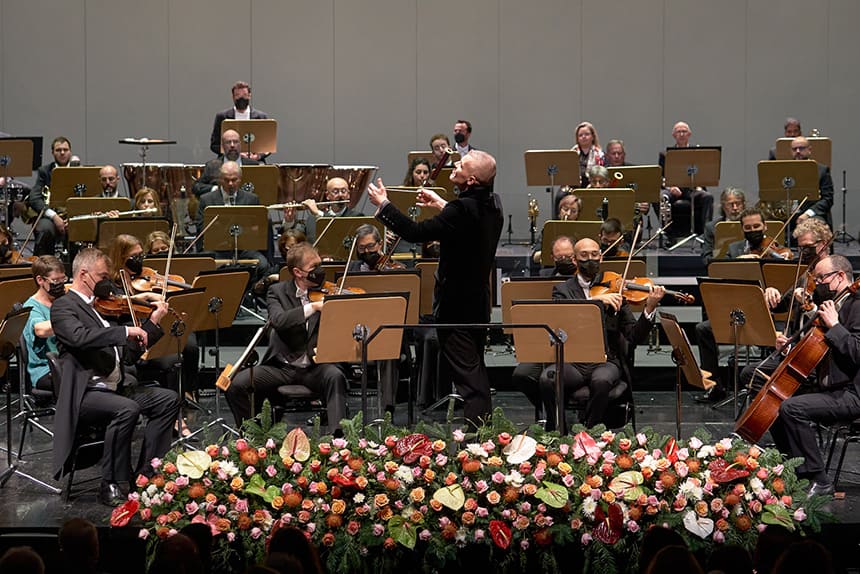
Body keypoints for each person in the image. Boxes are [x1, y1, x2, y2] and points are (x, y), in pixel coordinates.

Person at [368, 150, 503, 429]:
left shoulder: (460, 210)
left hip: (455, 307)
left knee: (470, 379)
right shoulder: (494, 204)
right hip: (478, 304)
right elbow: (467, 219)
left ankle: (481, 436)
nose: (455, 165)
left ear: (471, 180)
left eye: (461, 165)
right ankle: (484, 432)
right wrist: (442, 204)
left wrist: (384, 205)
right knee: (474, 369)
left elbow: (414, 232)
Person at [51, 248, 178, 505]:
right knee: (126, 409)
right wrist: (125, 332)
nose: (107, 283)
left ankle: (147, 475)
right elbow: (79, 337)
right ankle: (111, 483)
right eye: (102, 276)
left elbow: (127, 356)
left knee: (167, 399)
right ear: (83, 274)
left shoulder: (102, 308)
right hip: (86, 394)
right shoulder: (64, 307)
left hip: (114, 389)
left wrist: (152, 323)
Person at [536, 238, 663, 429]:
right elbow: (562, 320)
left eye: (594, 254)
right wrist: (596, 303)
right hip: (574, 361)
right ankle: (557, 429)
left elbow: (633, 336)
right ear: (574, 260)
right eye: (584, 255)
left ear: (601, 257)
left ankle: (590, 429)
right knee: (547, 379)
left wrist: (649, 308)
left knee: (601, 380)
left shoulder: (616, 290)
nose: (590, 259)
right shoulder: (562, 290)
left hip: (606, 360)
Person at [761, 254, 860, 496]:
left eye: (821, 278)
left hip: (852, 392)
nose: (817, 285)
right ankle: (794, 467)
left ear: (840, 276)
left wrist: (835, 326)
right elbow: (816, 348)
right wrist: (789, 348)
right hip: (828, 383)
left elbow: (857, 352)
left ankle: (819, 478)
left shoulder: (857, 306)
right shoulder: (832, 304)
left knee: (792, 408)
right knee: (772, 394)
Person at [224, 243, 348, 432]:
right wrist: (312, 307)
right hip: (282, 368)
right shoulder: (277, 292)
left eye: (320, 265)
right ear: (298, 272)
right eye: (313, 267)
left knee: (335, 376)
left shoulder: (329, 292)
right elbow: (279, 320)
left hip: (315, 367)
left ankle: (338, 439)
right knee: (236, 385)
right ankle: (251, 436)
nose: (320, 271)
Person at [196, 161, 269, 279]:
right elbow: (201, 227)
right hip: (217, 249)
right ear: (219, 179)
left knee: (263, 265)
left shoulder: (251, 199)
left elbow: (259, 228)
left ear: (240, 179)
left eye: (234, 180)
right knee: (203, 265)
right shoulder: (206, 200)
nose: (230, 184)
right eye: (226, 180)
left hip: (244, 250)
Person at [658, 121, 714, 237]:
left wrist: (699, 185)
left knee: (708, 197)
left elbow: (702, 172)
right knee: (662, 197)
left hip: (692, 189)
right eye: (679, 132)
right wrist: (670, 187)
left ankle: (707, 235)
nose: (682, 134)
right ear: (674, 135)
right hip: (673, 189)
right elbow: (661, 176)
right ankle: (668, 234)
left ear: (689, 134)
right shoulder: (665, 154)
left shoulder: (697, 152)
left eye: (684, 131)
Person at [22, 256, 67, 398]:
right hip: (46, 370)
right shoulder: (32, 307)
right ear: (40, 280)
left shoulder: (62, 299)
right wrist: (70, 319)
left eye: (63, 279)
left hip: (68, 362)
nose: (60, 284)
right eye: (55, 281)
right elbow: (41, 330)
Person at [28, 136, 71, 256]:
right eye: (58, 150)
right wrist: (54, 216)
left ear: (70, 152)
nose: (62, 153)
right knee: (44, 229)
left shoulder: (79, 170)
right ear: (52, 152)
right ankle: (44, 264)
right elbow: (34, 198)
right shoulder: (45, 171)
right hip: (51, 216)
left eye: (65, 150)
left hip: (73, 217)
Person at [209, 81, 269, 160]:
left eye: (244, 95)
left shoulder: (261, 117)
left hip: (255, 161)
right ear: (233, 97)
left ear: (249, 96)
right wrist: (234, 153)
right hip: (229, 162)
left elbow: (269, 144)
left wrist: (258, 156)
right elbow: (214, 145)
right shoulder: (222, 117)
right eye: (238, 95)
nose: (241, 98)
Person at [193, 129, 259, 197]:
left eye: (235, 142)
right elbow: (196, 187)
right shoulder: (212, 166)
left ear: (240, 144)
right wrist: (215, 189)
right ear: (222, 146)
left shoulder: (253, 165)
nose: (232, 145)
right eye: (228, 142)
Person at [790, 135, 834, 229]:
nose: (798, 151)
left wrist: (808, 214)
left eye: (801, 148)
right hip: (790, 216)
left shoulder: (822, 170)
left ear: (809, 150)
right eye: (794, 149)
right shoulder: (785, 170)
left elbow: (828, 199)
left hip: (813, 215)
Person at [303, 177, 364, 245]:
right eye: (335, 192)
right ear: (327, 195)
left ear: (348, 195)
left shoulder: (356, 217)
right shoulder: (312, 218)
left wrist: (318, 213)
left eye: (343, 191)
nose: (340, 195)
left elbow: (337, 233)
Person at [701, 186, 746, 265]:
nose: (735, 208)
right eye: (730, 204)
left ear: (743, 205)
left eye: (738, 204)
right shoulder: (711, 227)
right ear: (723, 206)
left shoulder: (751, 226)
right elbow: (706, 258)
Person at [571, 121, 604, 188]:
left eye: (587, 134)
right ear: (577, 138)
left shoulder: (600, 154)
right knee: (560, 194)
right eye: (580, 135)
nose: (583, 137)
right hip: (574, 184)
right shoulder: (572, 153)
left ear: (593, 137)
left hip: (593, 184)